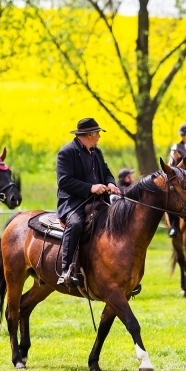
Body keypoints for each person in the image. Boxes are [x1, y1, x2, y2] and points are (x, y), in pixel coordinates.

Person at [55, 117, 120, 287]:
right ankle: (66, 270)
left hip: (98, 202)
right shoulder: (66, 153)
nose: (99, 136)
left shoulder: (97, 152)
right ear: (89, 135)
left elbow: (106, 172)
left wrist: (111, 183)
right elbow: (64, 181)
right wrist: (91, 188)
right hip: (74, 203)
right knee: (75, 224)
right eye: (97, 133)